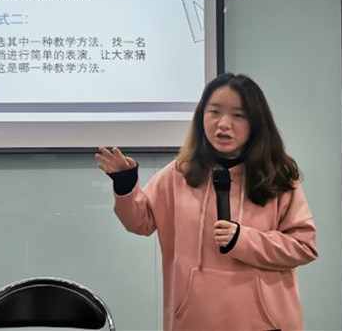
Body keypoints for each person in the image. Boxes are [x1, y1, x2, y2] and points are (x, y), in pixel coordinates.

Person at [96, 73, 318, 331]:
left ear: (257, 123)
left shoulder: (277, 177)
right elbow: (140, 222)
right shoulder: (179, 174)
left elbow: (303, 246)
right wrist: (125, 183)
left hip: (266, 323)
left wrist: (243, 240)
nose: (223, 124)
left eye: (238, 115)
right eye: (214, 112)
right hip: (194, 320)